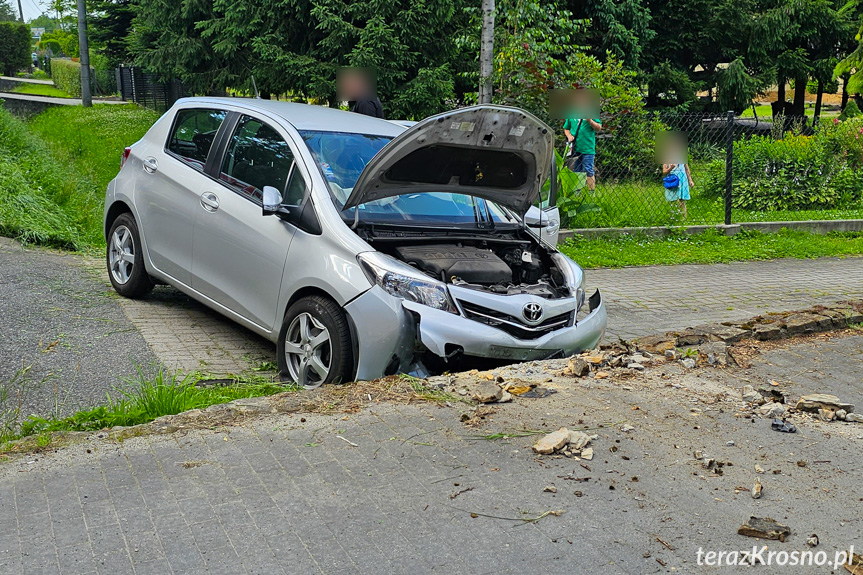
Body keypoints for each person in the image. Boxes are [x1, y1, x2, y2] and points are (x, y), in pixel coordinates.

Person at [563, 93, 601, 192]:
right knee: (576, 170)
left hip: (588, 147)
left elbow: (598, 128)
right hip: (575, 147)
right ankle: (577, 192)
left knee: (588, 169)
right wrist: (569, 136)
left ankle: (591, 192)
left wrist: (590, 121)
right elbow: (566, 128)